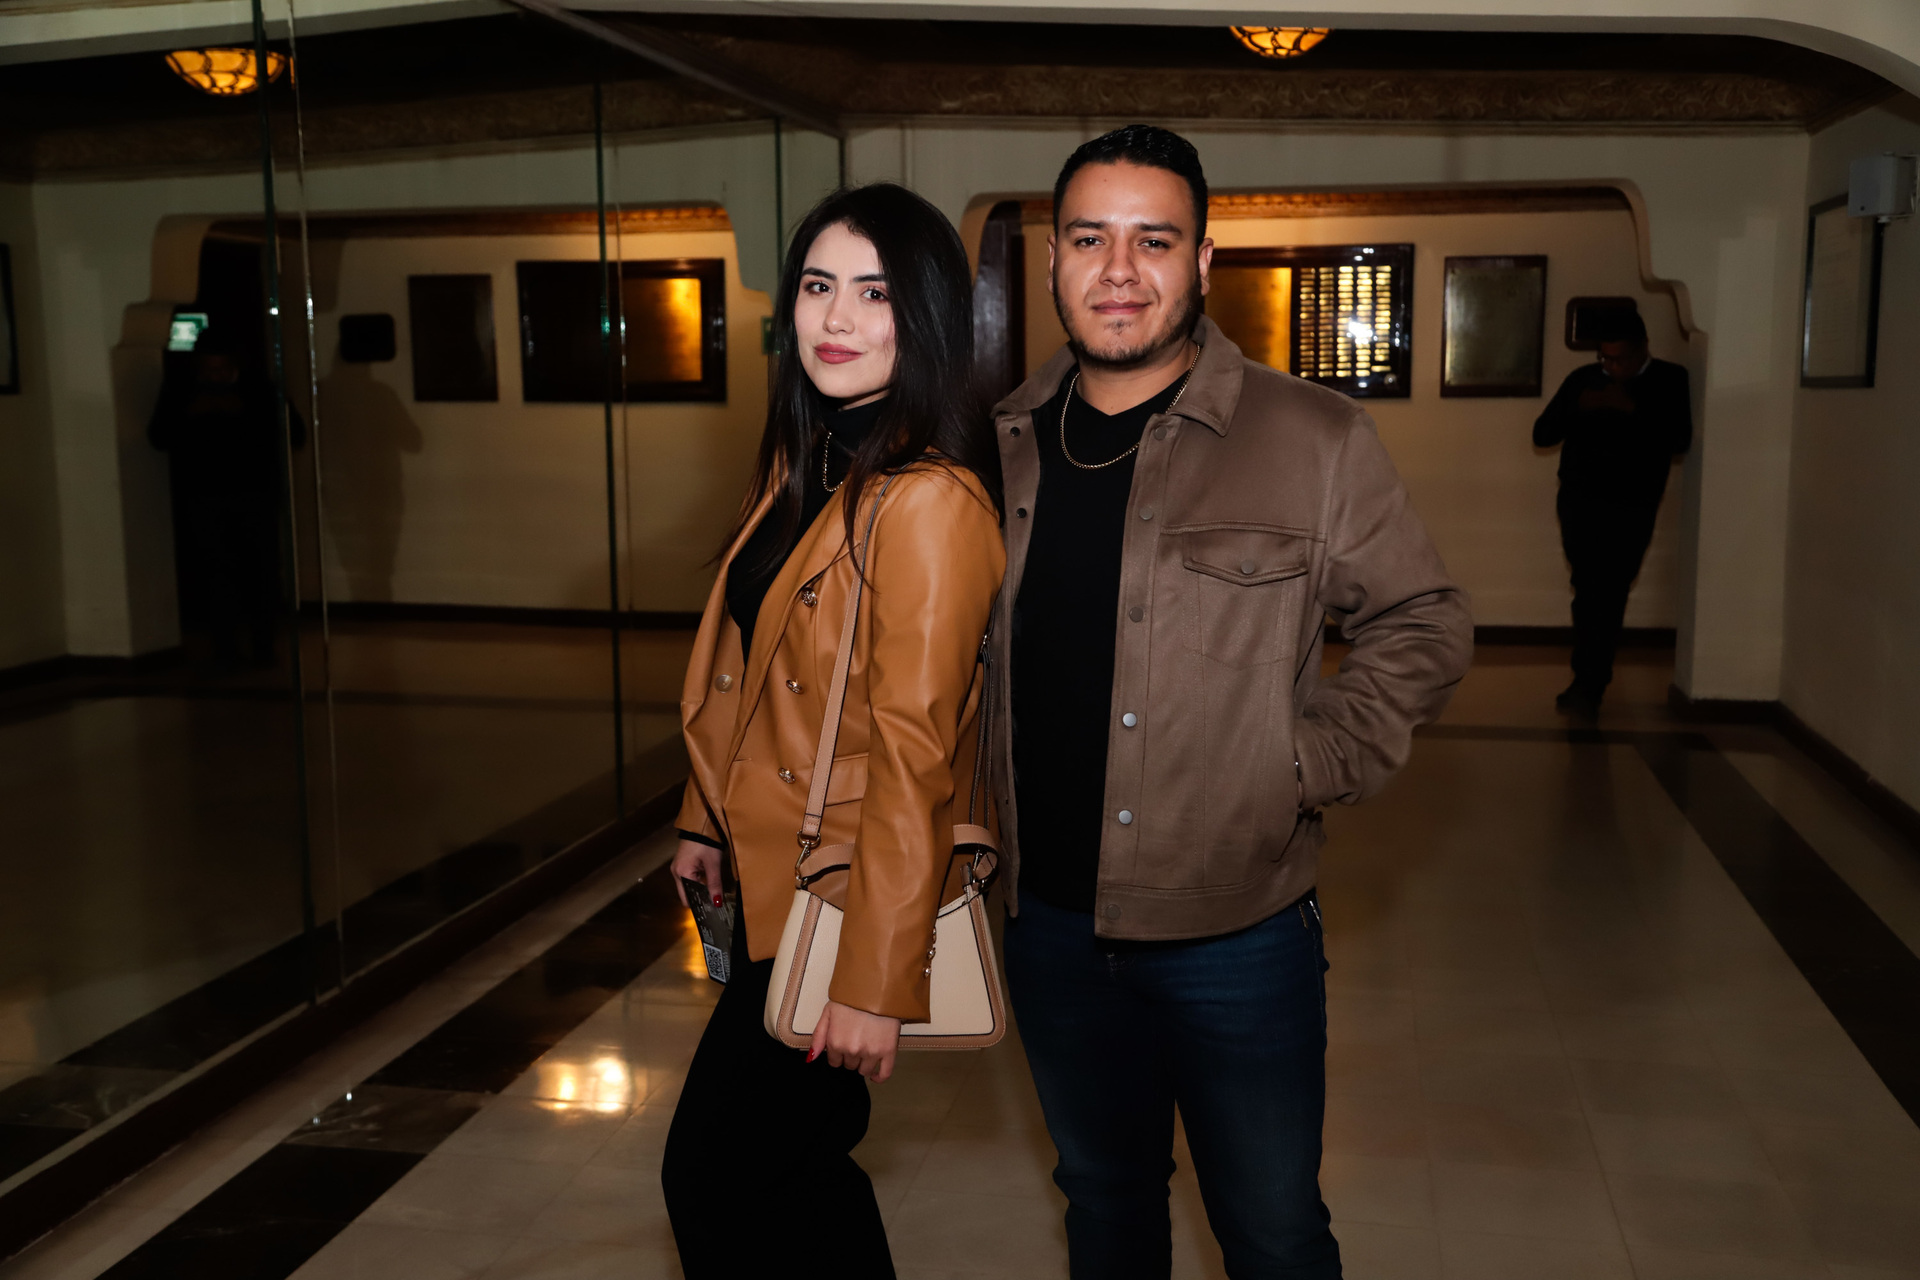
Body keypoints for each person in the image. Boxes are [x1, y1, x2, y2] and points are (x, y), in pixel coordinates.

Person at [989, 124, 1472, 1279]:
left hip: (1237, 934)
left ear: (1203, 261)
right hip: (1048, 925)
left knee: (1272, 1231)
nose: (1119, 270)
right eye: (1090, 239)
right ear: (1052, 259)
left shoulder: (1312, 437)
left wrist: (1301, 761)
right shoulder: (994, 443)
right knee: (1105, 1207)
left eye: (1153, 240)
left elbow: (1425, 620)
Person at [659, 184, 1004, 1280]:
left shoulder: (930, 501)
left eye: (875, 293)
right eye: (817, 286)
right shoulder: (806, 462)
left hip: (841, 896)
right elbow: (752, 668)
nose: (837, 318)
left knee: (714, 1175)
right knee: (794, 1174)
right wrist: (704, 815)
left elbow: (916, 752)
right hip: (770, 878)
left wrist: (874, 979)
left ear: (928, 317)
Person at [1532, 310, 1692, 718]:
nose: (1612, 367)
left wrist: (1630, 408)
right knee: (1587, 589)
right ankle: (1586, 679)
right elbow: (1542, 433)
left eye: (1621, 359)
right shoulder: (1584, 380)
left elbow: (1679, 439)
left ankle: (1591, 680)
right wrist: (1578, 406)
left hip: (1631, 507)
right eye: (1606, 358)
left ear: (1642, 350)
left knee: (1610, 589)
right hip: (1579, 503)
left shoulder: (1670, 380)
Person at [147, 332, 304, 670]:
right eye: (208, 370)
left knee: (262, 572)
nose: (214, 377)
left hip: (254, 496)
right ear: (198, 367)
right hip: (205, 497)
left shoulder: (260, 390)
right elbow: (158, 436)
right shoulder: (181, 391)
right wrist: (191, 415)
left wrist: (246, 417)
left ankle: (263, 646)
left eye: (220, 370)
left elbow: (295, 433)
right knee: (217, 574)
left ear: (234, 366)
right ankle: (225, 649)